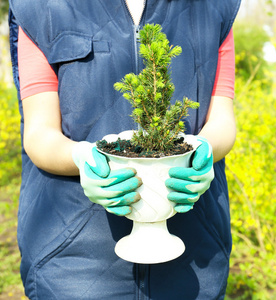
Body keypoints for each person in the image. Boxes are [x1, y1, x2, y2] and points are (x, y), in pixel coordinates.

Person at [8, 0, 240, 298]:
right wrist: (82, 159)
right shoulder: (41, 8)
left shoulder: (213, 6)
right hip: (73, 256)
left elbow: (222, 119)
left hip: (194, 251)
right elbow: (39, 132)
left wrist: (202, 151)